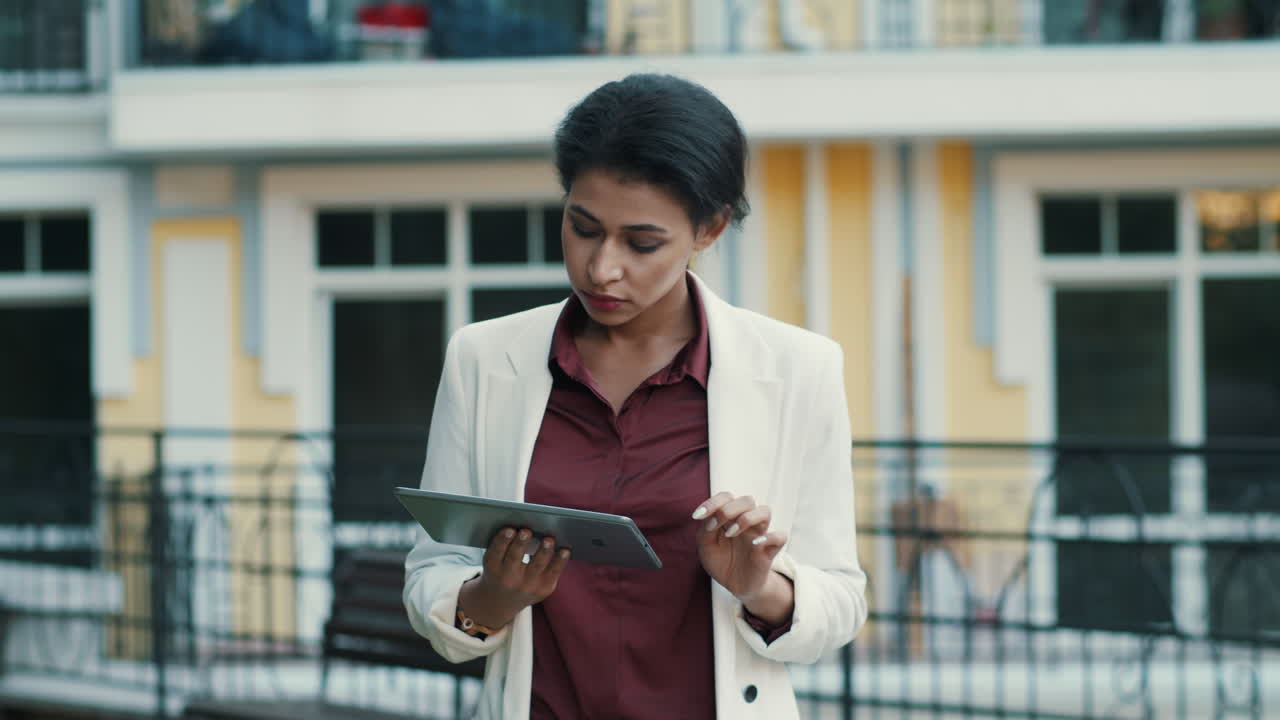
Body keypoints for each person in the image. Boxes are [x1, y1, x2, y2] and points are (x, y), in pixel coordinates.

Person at [403, 73, 867, 719]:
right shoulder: (484, 357)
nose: (602, 268)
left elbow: (840, 602)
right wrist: (493, 597)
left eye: (642, 243)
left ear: (710, 228)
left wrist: (760, 585)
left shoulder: (798, 369)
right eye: (583, 228)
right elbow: (434, 571)